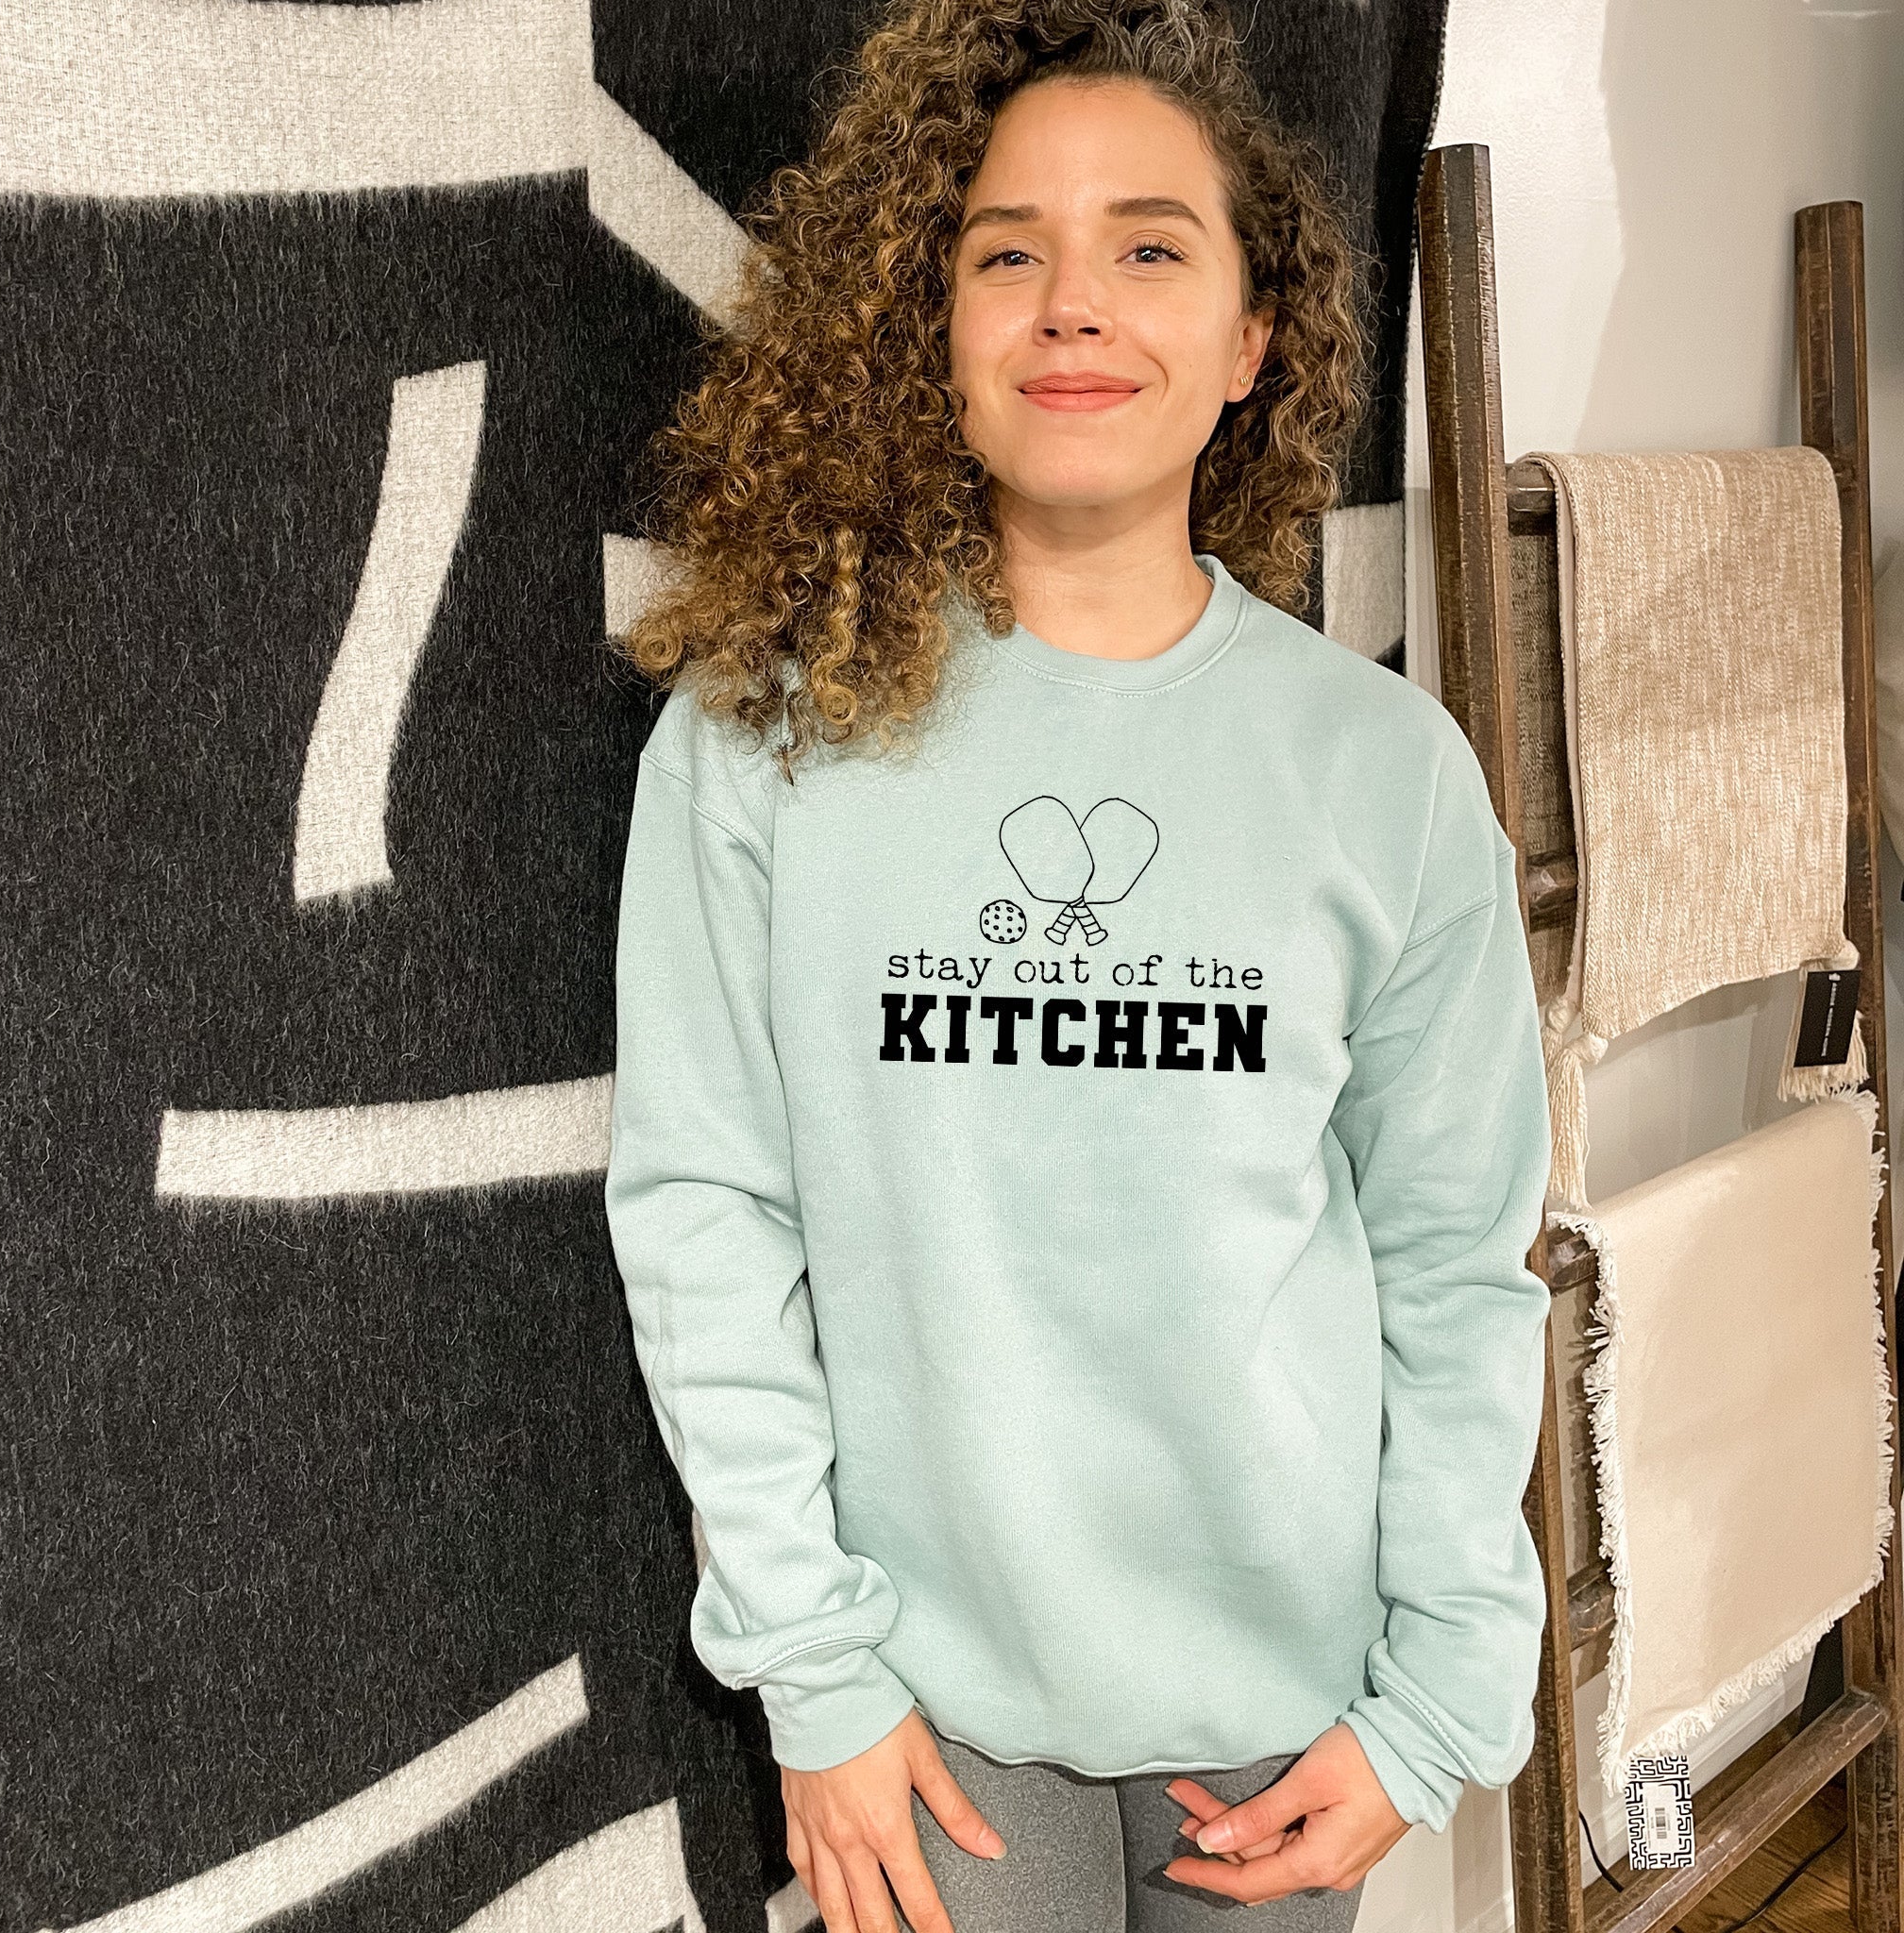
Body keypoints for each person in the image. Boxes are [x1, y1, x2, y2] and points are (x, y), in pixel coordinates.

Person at [603, 1, 1555, 1928]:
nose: (1072, 306)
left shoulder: (1383, 774)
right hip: (928, 1709)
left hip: (1294, 1704)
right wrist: (812, 1661)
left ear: (1250, 341)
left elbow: (1459, 1260)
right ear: (926, 325)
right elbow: (707, 1205)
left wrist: (1441, 1693)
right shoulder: (759, 734)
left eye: (1147, 246)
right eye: (1004, 252)